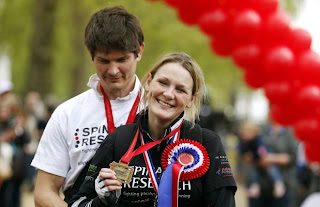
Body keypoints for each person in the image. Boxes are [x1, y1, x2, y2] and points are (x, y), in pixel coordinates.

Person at [68, 52, 237, 207]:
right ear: (148, 83)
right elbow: (77, 202)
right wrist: (101, 202)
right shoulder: (117, 140)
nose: (169, 94)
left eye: (180, 89)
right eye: (163, 83)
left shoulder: (207, 143)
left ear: (191, 99)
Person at [31, 6, 145, 207]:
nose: (113, 70)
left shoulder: (158, 108)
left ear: (139, 52)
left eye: (122, 59)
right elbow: (43, 192)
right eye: (104, 60)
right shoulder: (67, 113)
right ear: (90, 55)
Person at [237, 121, 286, 200]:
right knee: (255, 173)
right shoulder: (242, 141)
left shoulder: (257, 140)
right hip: (256, 162)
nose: (246, 134)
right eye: (244, 132)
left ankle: (278, 183)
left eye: (249, 132)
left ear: (255, 133)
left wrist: (255, 157)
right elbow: (241, 152)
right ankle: (255, 187)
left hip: (264, 158)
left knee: (272, 170)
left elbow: (261, 152)